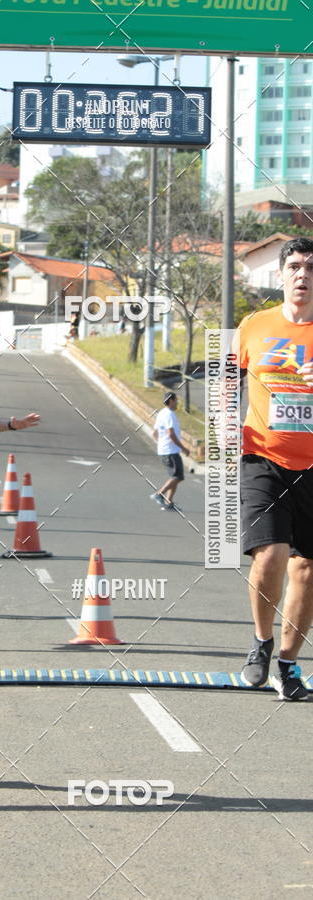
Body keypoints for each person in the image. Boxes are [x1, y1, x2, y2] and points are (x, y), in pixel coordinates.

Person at [239, 236, 313, 701]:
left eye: (312, 267)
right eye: (295, 267)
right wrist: (221, 429)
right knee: (270, 553)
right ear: (281, 275)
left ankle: (287, 666)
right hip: (263, 455)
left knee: (306, 571)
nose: (303, 275)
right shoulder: (254, 325)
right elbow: (225, 380)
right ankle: (261, 642)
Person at [150, 391, 190, 511]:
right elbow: (171, 433)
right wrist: (183, 448)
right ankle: (159, 494)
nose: (178, 402)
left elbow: (154, 433)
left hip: (165, 450)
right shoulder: (170, 415)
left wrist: (161, 443)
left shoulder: (161, 413)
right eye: (176, 400)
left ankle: (168, 501)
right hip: (170, 451)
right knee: (178, 476)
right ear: (171, 400)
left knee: (174, 477)